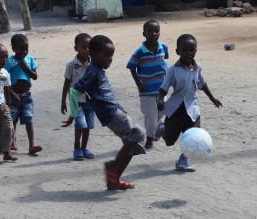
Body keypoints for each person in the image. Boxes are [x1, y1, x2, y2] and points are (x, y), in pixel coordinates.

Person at [62, 35, 146, 190]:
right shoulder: (92, 70)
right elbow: (74, 91)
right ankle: (113, 167)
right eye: (106, 55)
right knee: (138, 133)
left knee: (133, 146)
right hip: (109, 111)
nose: (110, 59)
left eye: (111, 56)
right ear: (94, 55)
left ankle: (113, 181)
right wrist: (73, 114)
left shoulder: (96, 69)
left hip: (113, 109)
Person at [152, 34, 223, 172]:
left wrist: (212, 98)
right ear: (178, 51)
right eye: (184, 50)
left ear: (196, 51)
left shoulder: (198, 68)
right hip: (176, 109)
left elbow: (202, 85)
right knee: (169, 140)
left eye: (192, 50)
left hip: (192, 108)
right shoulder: (172, 70)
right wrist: (160, 100)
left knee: (193, 134)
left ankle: (183, 160)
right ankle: (162, 128)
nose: (188, 53)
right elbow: (163, 88)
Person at [126, 20, 169, 150]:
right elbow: (132, 67)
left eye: (156, 31)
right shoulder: (139, 52)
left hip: (161, 90)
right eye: (150, 31)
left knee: (162, 113)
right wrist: (139, 84)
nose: (153, 33)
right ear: (144, 34)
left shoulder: (163, 47)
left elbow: (163, 62)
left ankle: (156, 128)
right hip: (147, 92)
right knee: (150, 116)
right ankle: (150, 139)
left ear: (159, 33)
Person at [4, 34, 42, 154]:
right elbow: (3, 78)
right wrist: (11, 93)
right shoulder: (10, 61)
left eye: (26, 48)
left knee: (29, 120)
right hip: (13, 97)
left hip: (27, 97)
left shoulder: (30, 59)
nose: (24, 51)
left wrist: (25, 67)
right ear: (14, 48)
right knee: (12, 121)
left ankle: (32, 145)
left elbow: (35, 76)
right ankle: (13, 141)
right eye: (21, 49)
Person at [61, 33, 95, 161]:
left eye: (89, 47)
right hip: (77, 101)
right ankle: (77, 148)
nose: (87, 50)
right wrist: (63, 101)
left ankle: (84, 147)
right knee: (80, 124)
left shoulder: (93, 64)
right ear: (76, 48)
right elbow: (66, 83)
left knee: (88, 126)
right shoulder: (71, 65)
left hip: (91, 101)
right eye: (83, 47)